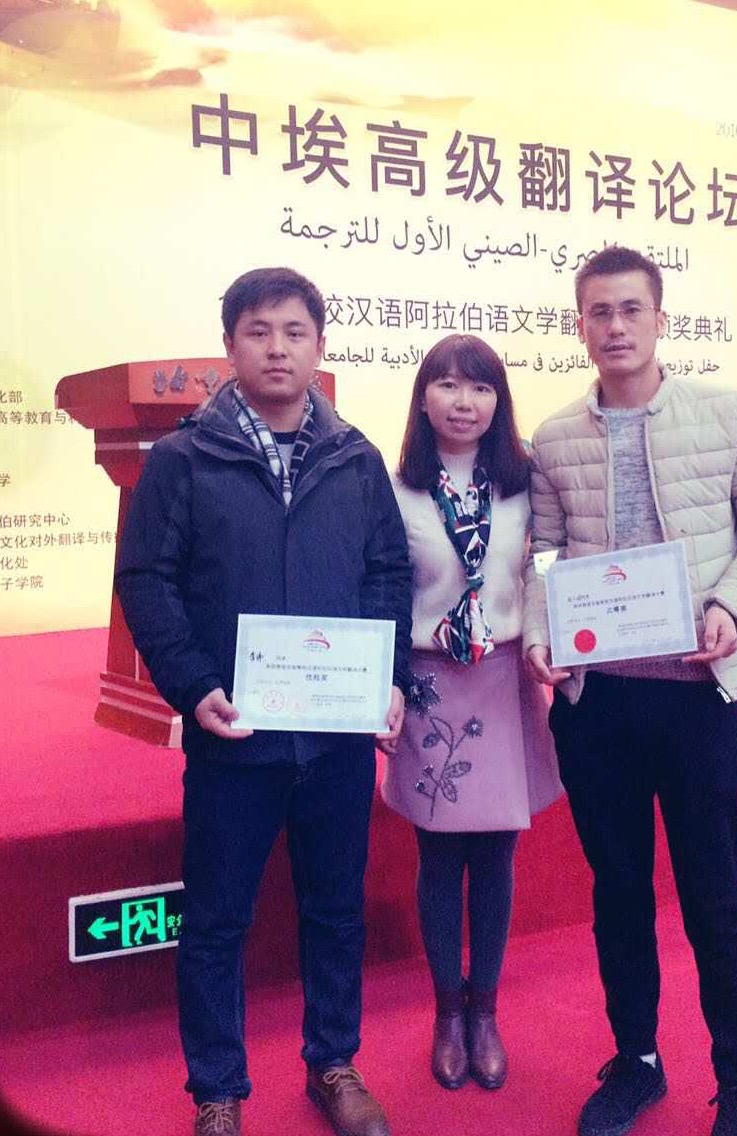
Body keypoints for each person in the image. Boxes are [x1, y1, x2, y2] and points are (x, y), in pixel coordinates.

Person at [115, 267, 412, 1136]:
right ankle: (217, 1090)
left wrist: (388, 678)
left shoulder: (356, 459)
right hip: (233, 735)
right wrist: (193, 685)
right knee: (216, 920)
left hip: (335, 739)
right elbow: (146, 579)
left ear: (319, 346)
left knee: (335, 910)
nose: (277, 348)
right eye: (258, 331)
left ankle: (334, 1064)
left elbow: (386, 573)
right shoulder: (182, 459)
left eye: (293, 331)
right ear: (230, 346)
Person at [523, 247, 737, 1136]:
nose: (615, 327)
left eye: (630, 310)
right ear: (579, 326)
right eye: (598, 312)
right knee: (617, 892)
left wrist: (730, 604)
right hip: (599, 706)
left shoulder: (729, 415)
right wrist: (540, 636)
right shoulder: (554, 438)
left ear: (659, 320)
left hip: (697, 698)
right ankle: (636, 1060)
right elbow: (544, 558)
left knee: (714, 894)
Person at [382, 334, 563, 1092]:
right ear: (423, 399)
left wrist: (553, 638)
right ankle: (446, 1011)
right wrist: (387, 682)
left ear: (499, 399)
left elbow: (549, 567)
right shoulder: (395, 488)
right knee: (437, 855)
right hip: (431, 683)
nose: (464, 402)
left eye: (480, 387)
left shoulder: (526, 481)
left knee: (495, 855)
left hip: (504, 677)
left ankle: (484, 1009)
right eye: (448, 386)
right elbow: (384, 590)